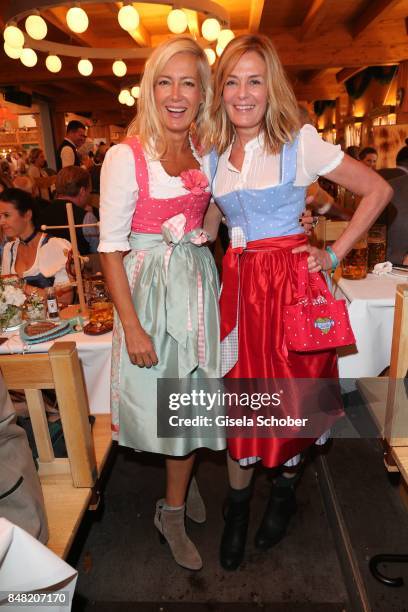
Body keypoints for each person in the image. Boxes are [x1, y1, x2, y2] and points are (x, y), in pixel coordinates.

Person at [203, 34, 392, 571]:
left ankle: (284, 494)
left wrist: (332, 255)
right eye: (233, 81)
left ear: (272, 87)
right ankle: (236, 509)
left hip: (293, 291)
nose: (243, 93)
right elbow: (216, 219)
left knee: (297, 405)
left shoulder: (300, 141)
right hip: (239, 294)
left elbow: (377, 190)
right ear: (221, 90)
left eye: (255, 80)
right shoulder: (213, 148)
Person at [98, 37, 225, 571]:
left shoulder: (203, 147)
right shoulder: (125, 157)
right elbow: (110, 248)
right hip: (149, 292)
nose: (177, 94)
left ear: (202, 93)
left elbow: (211, 216)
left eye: (188, 82)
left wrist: (210, 235)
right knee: (170, 409)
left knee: (192, 399)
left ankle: (178, 491)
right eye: (165, 81)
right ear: (151, 89)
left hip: (195, 284)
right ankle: (170, 507)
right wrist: (133, 328)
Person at [0, 188, 71, 298]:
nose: (1, 222)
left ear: (27, 215)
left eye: (6, 215)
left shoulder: (55, 246)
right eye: (0, 216)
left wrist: (23, 287)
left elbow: (65, 299)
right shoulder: (9, 250)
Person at [40, 166, 98, 256]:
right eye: (89, 192)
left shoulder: (42, 212)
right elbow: (97, 252)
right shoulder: (86, 218)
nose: (88, 196)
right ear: (82, 191)